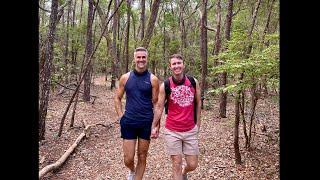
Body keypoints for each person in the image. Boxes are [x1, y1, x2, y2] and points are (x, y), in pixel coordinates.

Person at [151, 54, 201, 180]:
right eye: (174, 64)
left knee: (193, 164)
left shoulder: (193, 82)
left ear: (183, 65)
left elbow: (198, 103)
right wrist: (154, 126)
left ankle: (185, 172)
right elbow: (159, 106)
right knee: (176, 163)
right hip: (172, 130)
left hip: (190, 130)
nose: (177, 66)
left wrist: (198, 125)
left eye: (179, 63)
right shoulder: (165, 85)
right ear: (170, 67)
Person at [114, 47, 159, 180]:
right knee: (128, 158)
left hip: (146, 122)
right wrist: (121, 116)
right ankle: (132, 171)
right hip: (129, 122)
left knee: (142, 156)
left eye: (143, 57)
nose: (141, 60)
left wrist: (156, 124)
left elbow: (156, 104)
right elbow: (117, 98)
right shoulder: (125, 78)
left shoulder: (153, 79)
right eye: (138, 57)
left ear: (147, 59)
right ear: (134, 59)